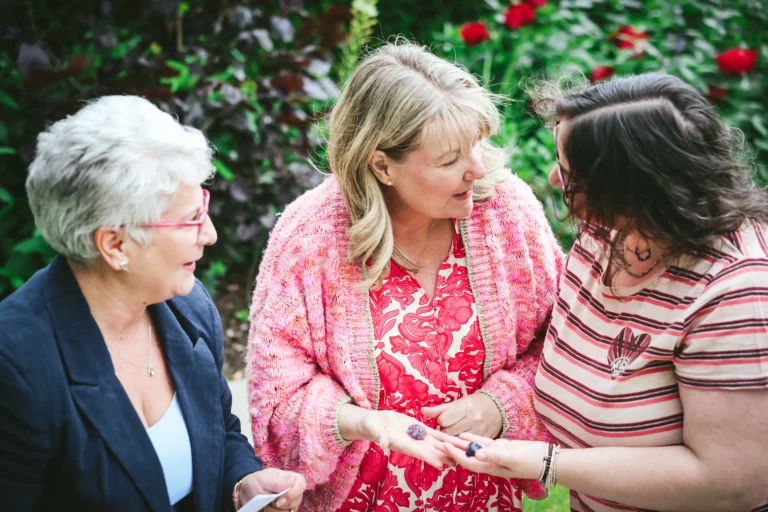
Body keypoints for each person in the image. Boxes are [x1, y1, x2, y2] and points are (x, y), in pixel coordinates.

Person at [246, 42, 564, 511]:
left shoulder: (506, 214)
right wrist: (357, 421)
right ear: (382, 165)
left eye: (477, 144)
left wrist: (500, 404)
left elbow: (562, 340)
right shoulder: (309, 238)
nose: (476, 169)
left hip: (483, 498)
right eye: (450, 158)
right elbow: (277, 392)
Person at [439, 73, 768, 511]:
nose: (555, 180)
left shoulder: (738, 292)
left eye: (572, 174)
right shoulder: (609, 233)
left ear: (632, 188)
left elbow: (731, 481)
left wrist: (548, 462)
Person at [0, 96, 307, 512]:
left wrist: (242, 482)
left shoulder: (188, 309)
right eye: (191, 219)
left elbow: (221, 430)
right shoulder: (16, 366)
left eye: (205, 208)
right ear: (115, 244)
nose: (211, 234)